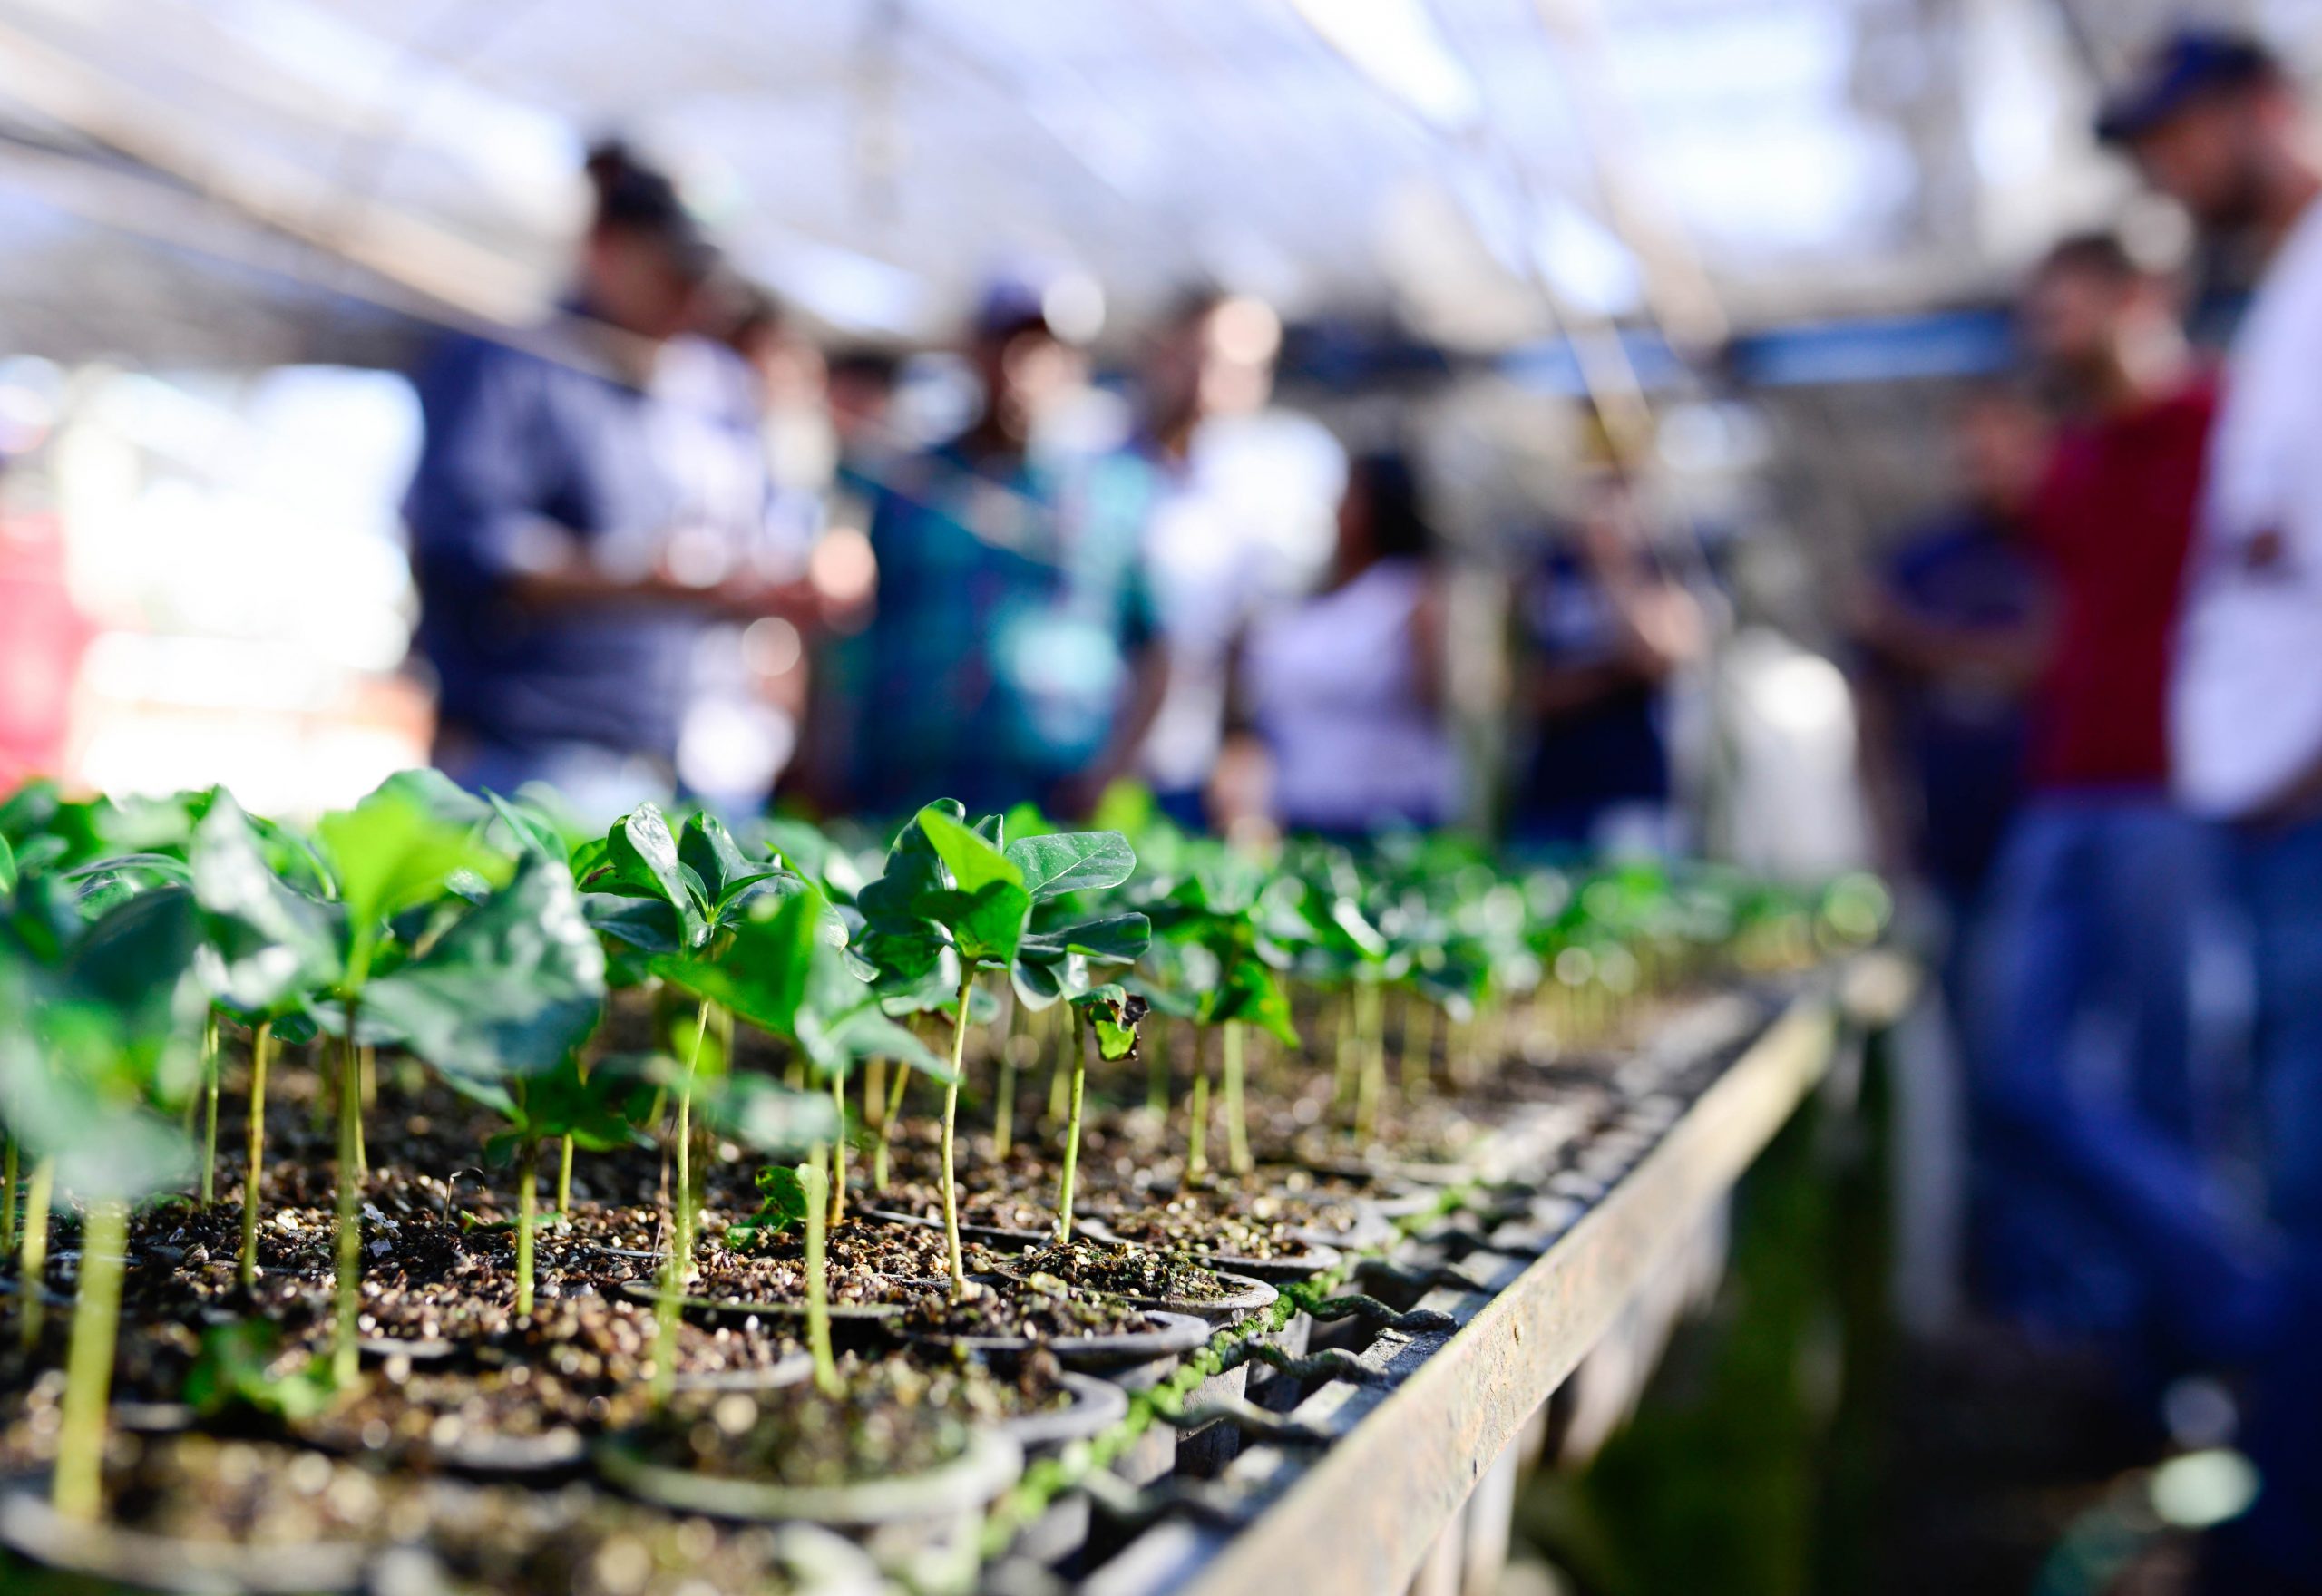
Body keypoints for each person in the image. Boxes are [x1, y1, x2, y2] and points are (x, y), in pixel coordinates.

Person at [2104, 31, 2322, 1588]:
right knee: (2294, 1176)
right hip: (2273, 826)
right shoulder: (2285, 295)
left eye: (2175, 139)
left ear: (2261, 111)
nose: (2161, 177)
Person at [1966, 233, 2224, 1365]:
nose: (2046, 341)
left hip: (2179, 793)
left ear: (2141, 298)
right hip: (2065, 787)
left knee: (2176, 1079)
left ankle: (2171, 1359)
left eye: (2062, 314)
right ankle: (2240, 1289)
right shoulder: (2074, 463)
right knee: (2012, 1068)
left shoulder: (2231, 424)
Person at [403, 142, 803, 819]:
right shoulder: (512, 368)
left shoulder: (708, 394)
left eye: (705, 277)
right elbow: (463, 543)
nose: (695, 298)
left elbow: (749, 540)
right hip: (529, 755)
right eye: (675, 271)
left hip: (674, 755)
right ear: (605, 248)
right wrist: (636, 578)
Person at [842, 284, 1166, 818]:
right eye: (1005, 346)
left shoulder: (1117, 495)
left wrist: (1112, 771)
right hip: (908, 781)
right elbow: (851, 632)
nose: (1019, 369)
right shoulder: (907, 487)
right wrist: (827, 755)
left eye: (1042, 350)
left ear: (1075, 364)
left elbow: (1159, 649)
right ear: (972, 352)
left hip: (1051, 791)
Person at [1849, 386, 2049, 929]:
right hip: (1948, 838)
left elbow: (2052, 661)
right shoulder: (1920, 559)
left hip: (2054, 823)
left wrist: (1910, 639)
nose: (1980, 461)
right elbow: (1873, 704)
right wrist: (1885, 827)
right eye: (1969, 448)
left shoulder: (2065, 548)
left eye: (1999, 446)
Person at [1132, 289, 1294, 829]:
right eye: (1199, 357)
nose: (1210, 382)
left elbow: (1257, 649)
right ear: (1164, 354)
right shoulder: (1093, 467)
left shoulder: (1272, 498)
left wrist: (1243, 758)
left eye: (1239, 367)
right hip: (1080, 758)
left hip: (1191, 771)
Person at [1230, 451, 1457, 837]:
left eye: (1351, 496)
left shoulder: (1413, 594)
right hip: (1298, 813)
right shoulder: (1305, 601)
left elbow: (1439, 699)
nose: (1336, 510)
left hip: (1388, 820)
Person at [1507, 472, 1704, 854]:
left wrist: (1612, 570)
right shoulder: (1544, 575)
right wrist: (1614, 677)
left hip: (1632, 794)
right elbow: (1522, 692)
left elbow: (1654, 659)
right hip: (1550, 795)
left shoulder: (1658, 571)